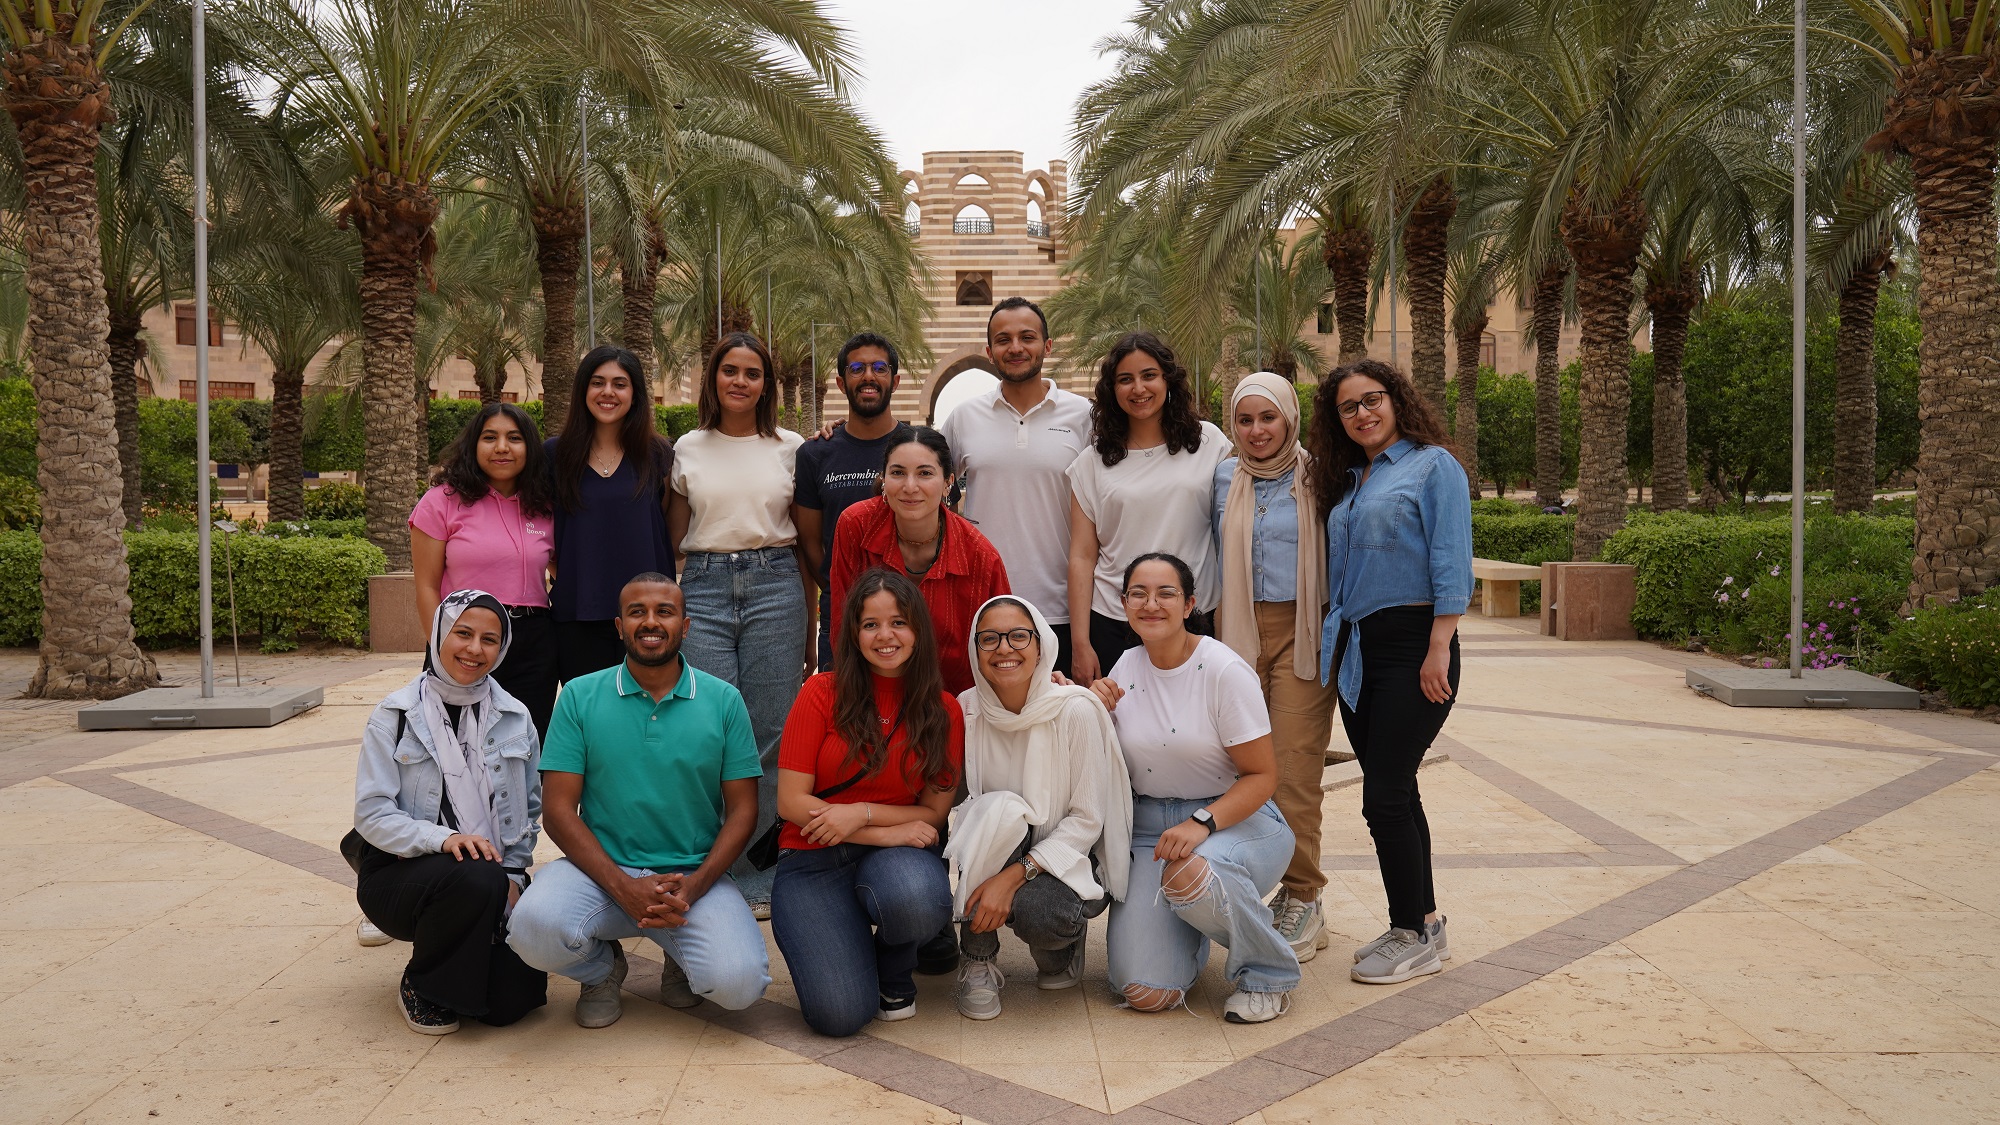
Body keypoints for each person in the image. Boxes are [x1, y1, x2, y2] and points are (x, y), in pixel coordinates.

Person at [506, 573, 771, 1025]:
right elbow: (556, 809)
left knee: (740, 985)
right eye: (637, 612)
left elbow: (744, 810)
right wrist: (622, 886)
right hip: (599, 872)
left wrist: (698, 884)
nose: (651, 622)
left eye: (664, 612)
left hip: (690, 877)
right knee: (530, 930)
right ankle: (601, 969)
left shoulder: (723, 700)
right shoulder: (579, 697)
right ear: (619, 626)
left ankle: (679, 958)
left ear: (685, 626)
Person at [1306, 359, 1472, 986]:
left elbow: (1451, 557)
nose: (1362, 414)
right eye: (1348, 407)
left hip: (1413, 644)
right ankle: (1422, 921)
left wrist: (1439, 645)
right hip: (1357, 650)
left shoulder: (1433, 466)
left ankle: (1413, 930)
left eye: (1372, 399)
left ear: (1396, 400)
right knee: (1398, 790)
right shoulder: (1350, 481)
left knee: (1382, 797)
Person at [1090, 553, 1299, 1025]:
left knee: (1190, 875)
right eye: (1138, 593)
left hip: (1234, 819)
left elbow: (1263, 777)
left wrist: (1201, 822)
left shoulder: (1223, 670)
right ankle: (1197, 916)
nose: (1151, 603)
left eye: (1166, 593)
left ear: (1189, 604)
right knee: (1145, 992)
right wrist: (1088, 707)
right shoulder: (1125, 664)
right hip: (1151, 832)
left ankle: (1269, 973)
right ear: (1123, 603)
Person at [768, 570, 962, 1036]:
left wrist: (861, 814)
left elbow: (934, 813)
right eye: (870, 624)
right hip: (812, 858)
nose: (885, 636)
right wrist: (886, 831)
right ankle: (845, 937)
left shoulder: (944, 710)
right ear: (853, 634)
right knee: (839, 1017)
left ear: (918, 629)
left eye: (898, 622)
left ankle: (892, 967)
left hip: (892, 860)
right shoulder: (820, 692)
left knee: (916, 899)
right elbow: (792, 803)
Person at [352, 589, 547, 1034]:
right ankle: (422, 983)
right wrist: (441, 839)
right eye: (463, 633)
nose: (475, 650)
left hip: (495, 873)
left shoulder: (516, 716)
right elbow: (372, 813)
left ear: (504, 647)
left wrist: (515, 876)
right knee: (473, 873)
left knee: (512, 1005)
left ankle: (471, 947)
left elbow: (529, 809)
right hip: (402, 871)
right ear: (439, 633)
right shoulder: (395, 714)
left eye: (489, 639)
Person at [669, 332, 810, 916]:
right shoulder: (687, 447)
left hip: (776, 583)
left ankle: (761, 872)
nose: (740, 381)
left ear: (766, 385)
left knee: (773, 732)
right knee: (709, 729)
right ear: (713, 378)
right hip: (701, 587)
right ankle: (710, 863)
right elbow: (675, 539)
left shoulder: (792, 448)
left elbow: (805, 542)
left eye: (752, 373)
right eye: (730, 370)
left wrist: (811, 619)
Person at [945, 595, 1131, 1021]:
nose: (1004, 649)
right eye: (989, 638)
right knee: (994, 812)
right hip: (1000, 847)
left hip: (1071, 856)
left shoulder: (1075, 709)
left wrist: (1012, 878)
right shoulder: (967, 709)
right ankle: (977, 959)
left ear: (1041, 643)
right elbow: (958, 801)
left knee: (1042, 917)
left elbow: (1087, 821)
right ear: (975, 650)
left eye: (1018, 636)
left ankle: (1061, 947)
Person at [1211, 373, 1337, 963]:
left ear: (1290, 417)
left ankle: (1304, 894)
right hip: (1235, 631)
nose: (1257, 431)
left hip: (1303, 633)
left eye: (1268, 418)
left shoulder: (1322, 476)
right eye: (1245, 420)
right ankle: (1242, 883)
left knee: (1290, 770)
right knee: (1234, 768)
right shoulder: (1221, 475)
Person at [937, 298, 1092, 676]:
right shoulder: (964, 418)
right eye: (1003, 340)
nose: (1016, 348)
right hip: (983, 606)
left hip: (1063, 609)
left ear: (1047, 346)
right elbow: (927, 478)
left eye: (1028, 337)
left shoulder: (1084, 416)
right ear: (990, 352)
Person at [1066, 332, 1230, 684]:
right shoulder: (1090, 464)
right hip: (1114, 622)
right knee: (1120, 734)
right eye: (1125, 379)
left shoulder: (1209, 443)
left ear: (1168, 380)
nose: (1138, 388)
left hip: (1194, 618)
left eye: (1149, 375)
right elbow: (1081, 556)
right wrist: (1080, 642)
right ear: (1112, 390)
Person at [410, 403, 558, 738]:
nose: (502, 447)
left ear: (529, 448)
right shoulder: (441, 502)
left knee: (524, 748)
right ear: (473, 445)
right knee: (456, 748)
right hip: (466, 641)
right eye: (490, 437)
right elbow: (427, 586)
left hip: (534, 645)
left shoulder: (544, 507)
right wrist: (441, 647)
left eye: (514, 438)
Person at [829, 427, 1011, 695]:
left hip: (952, 702)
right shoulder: (854, 526)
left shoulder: (981, 557)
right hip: (868, 694)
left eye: (925, 473)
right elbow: (842, 627)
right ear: (883, 479)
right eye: (898, 473)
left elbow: (1005, 639)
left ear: (948, 482)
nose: (910, 487)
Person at [546, 345, 675, 684]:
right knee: (590, 718)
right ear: (583, 391)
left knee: (646, 717)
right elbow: (542, 529)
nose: (608, 392)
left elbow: (662, 526)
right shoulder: (554, 456)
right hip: (577, 614)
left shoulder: (658, 454)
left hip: (649, 616)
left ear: (635, 394)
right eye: (597, 382)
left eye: (620, 383)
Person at [794, 331, 914, 672]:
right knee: (842, 713)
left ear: (895, 379)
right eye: (857, 368)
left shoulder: (918, 447)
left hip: (908, 610)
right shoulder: (816, 453)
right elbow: (810, 541)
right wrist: (840, 585)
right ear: (841, 382)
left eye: (879, 366)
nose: (868, 376)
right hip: (841, 611)